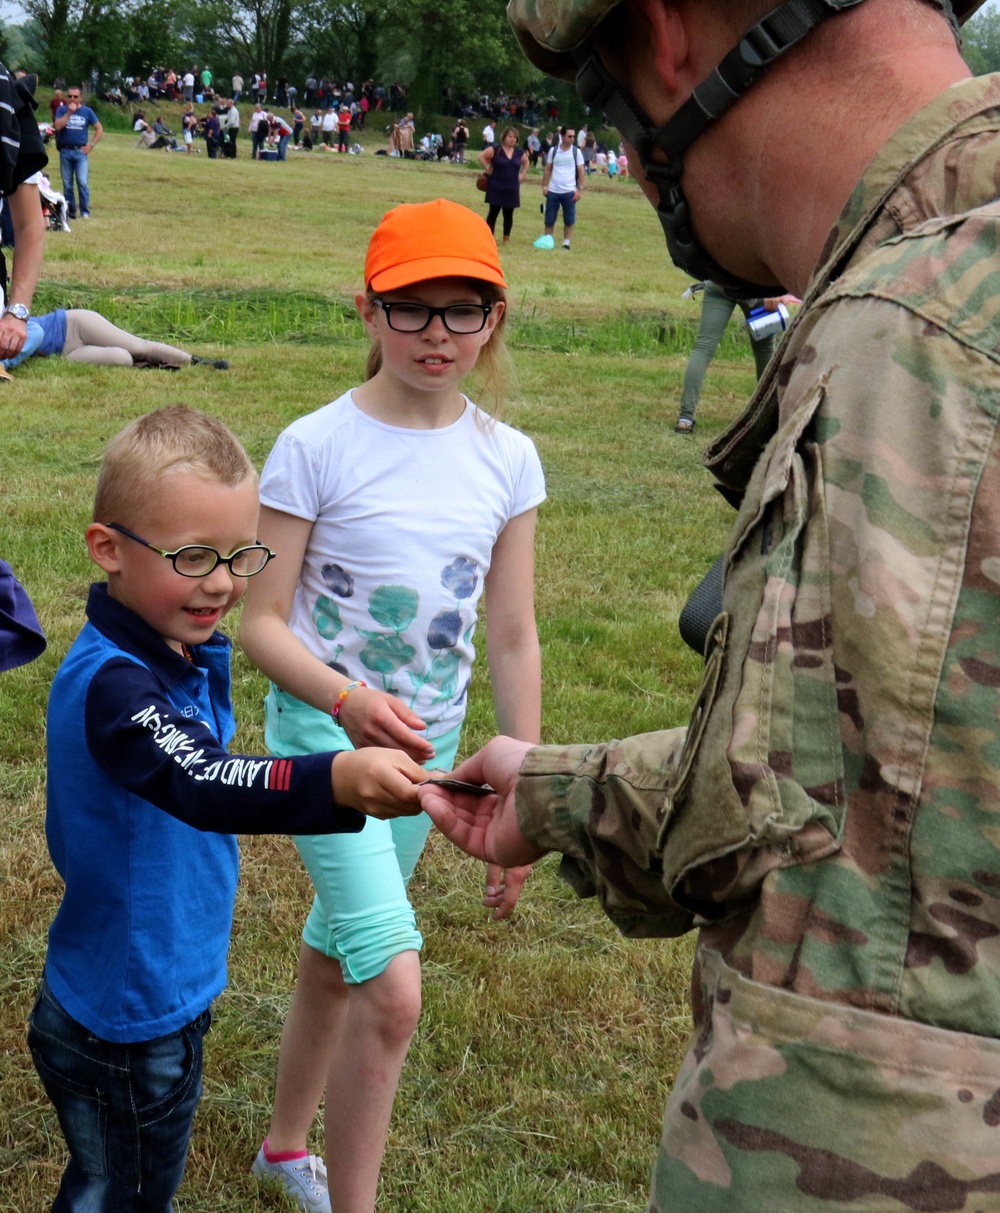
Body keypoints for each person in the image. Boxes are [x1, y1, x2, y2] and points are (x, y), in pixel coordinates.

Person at [419, 0, 1000, 1209]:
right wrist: (562, 794)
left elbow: (845, 922)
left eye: (603, 89)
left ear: (669, 37)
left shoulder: (910, 337)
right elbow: (874, 795)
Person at [26, 404, 430, 1212]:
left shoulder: (169, 647)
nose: (222, 581)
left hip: (162, 993)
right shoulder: (115, 683)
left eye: (240, 554)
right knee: (123, 1190)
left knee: (138, 1178)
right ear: (107, 548)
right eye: (194, 555)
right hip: (124, 1018)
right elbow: (204, 781)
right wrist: (336, 779)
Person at [241, 198, 545, 1213]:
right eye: (410, 310)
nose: (437, 335)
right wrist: (346, 699)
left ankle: (286, 1152)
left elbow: (510, 634)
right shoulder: (314, 445)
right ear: (366, 312)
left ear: (494, 320)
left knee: (338, 950)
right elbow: (263, 623)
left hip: (434, 758)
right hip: (327, 746)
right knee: (393, 981)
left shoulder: (508, 458)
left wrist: (529, 791)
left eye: (464, 312)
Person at [674, 284, 797, 433]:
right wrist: (776, 289)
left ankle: (685, 419)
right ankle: (768, 413)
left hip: (719, 282)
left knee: (703, 348)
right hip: (758, 287)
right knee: (765, 350)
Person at [0, 307, 231, 371]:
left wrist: (6, 362)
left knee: (138, 346)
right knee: (123, 359)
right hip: (66, 353)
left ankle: (197, 361)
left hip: (73, 325)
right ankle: (156, 366)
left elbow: (36, 333)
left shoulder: (7, 319)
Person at [52, 85, 102, 220]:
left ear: (80, 97)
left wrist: (91, 145)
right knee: (67, 184)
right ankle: (71, 211)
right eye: (70, 96)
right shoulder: (62, 110)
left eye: (75, 96)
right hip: (65, 151)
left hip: (80, 151)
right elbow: (57, 127)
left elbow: (99, 129)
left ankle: (85, 211)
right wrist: (69, 113)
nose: (72, 99)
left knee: (82, 182)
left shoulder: (87, 111)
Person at [478, 124, 528, 244]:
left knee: (508, 214)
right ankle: (489, 237)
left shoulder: (519, 152)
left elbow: (526, 163)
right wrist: (487, 168)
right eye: (510, 136)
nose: (512, 139)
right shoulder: (496, 149)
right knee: (493, 212)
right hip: (496, 186)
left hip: (512, 187)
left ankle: (506, 238)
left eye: (514, 137)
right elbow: (481, 156)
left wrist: (522, 174)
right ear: (504, 137)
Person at [541, 125, 583, 250]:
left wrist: (579, 190)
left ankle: (566, 243)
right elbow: (548, 169)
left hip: (569, 191)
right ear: (562, 136)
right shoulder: (553, 151)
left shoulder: (576, 152)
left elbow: (581, 171)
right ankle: (548, 240)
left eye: (573, 136)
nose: (572, 139)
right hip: (553, 191)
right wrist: (544, 186)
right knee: (549, 218)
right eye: (569, 136)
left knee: (569, 219)